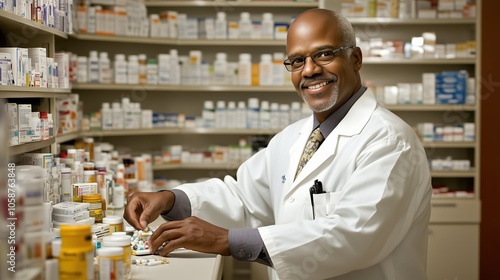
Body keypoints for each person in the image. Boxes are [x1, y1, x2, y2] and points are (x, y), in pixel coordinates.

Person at [124, 8, 432, 280]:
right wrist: (169, 199)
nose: (309, 70)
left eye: (324, 54)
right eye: (297, 60)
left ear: (355, 59)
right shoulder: (293, 138)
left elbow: (353, 235)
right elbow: (243, 198)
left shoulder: (390, 141)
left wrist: (226, 241)